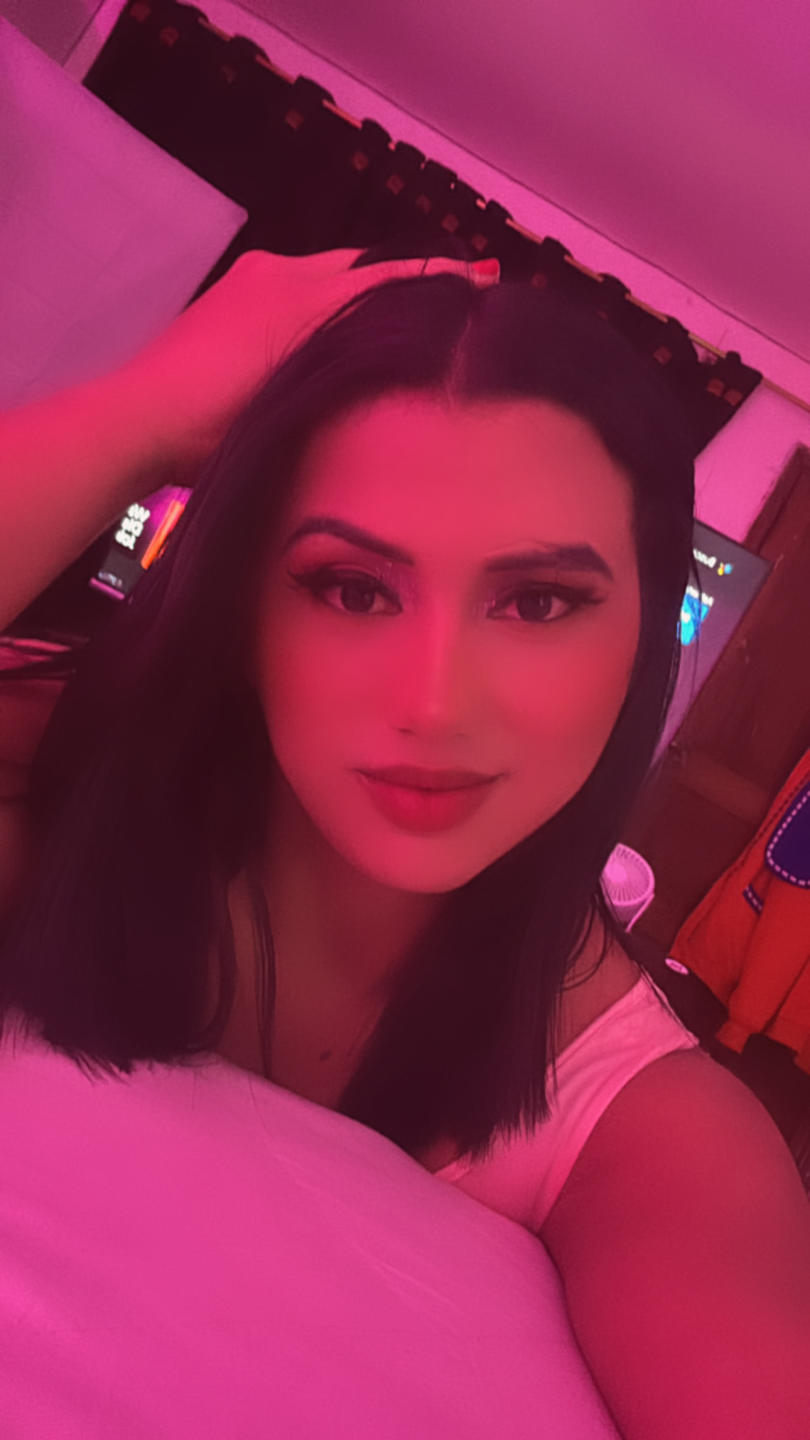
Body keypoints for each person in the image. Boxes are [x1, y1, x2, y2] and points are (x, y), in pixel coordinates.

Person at [0, 240, 808, 1440]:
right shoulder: (58, 789)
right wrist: (140, 410)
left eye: (537, 601)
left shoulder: (650, 1130)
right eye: (353, 588)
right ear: (245, 603)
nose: (433, 702)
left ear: (645, 644)